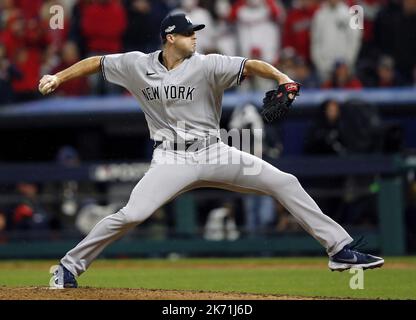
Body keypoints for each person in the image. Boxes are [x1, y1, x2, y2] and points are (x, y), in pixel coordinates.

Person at [39, 13, 384, 289]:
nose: (195, 37)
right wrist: (58, 76)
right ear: (170, 37)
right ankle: (68, 267)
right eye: (189, 33)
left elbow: (251, 65)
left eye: (196, 32)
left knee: (285, 181)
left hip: (214, 151)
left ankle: (339, 249)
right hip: (171, 158)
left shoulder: (207, 64)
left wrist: (283, 78)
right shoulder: (136, 64)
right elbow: (96, 62)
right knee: (131, 215)